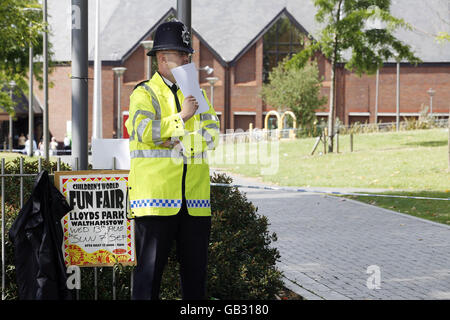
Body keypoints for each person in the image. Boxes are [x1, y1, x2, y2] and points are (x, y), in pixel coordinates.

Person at [124, 20, 220, 300]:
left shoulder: (198, 94)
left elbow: (213, 135)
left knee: (195, 281)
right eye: (183, 55)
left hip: (195, 203)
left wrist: (177, 141)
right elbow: (142, 130)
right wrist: (182, 118)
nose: (188, 59)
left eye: (188, 55)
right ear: (163, 58)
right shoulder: (144, 93)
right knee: (147, 280)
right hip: (154, 203)